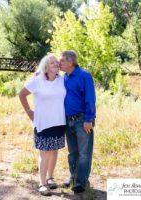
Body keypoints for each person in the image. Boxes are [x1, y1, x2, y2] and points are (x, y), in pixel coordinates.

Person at [18, 54, 66, 196]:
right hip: (43, 122)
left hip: (59, 121)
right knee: (44, 152)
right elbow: (21, 94)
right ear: (45, 66)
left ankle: (50, 178)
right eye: (53, 63)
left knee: (54, 150)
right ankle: (42, 183)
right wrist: (28, 111)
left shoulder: (62, 80)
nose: (56, 65)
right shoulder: (37, 80)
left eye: (57, 63)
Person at [59, 50, 96, 194]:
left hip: (82, 121)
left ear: (70, 62)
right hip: (68, 121)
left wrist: (89, 119)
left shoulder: (84, 76)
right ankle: (73, 178)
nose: (59, 63)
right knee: (72, 152)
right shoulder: (64, 78)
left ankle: (81, 182)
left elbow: (90, 99)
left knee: (84, 153)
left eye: (62, 61)